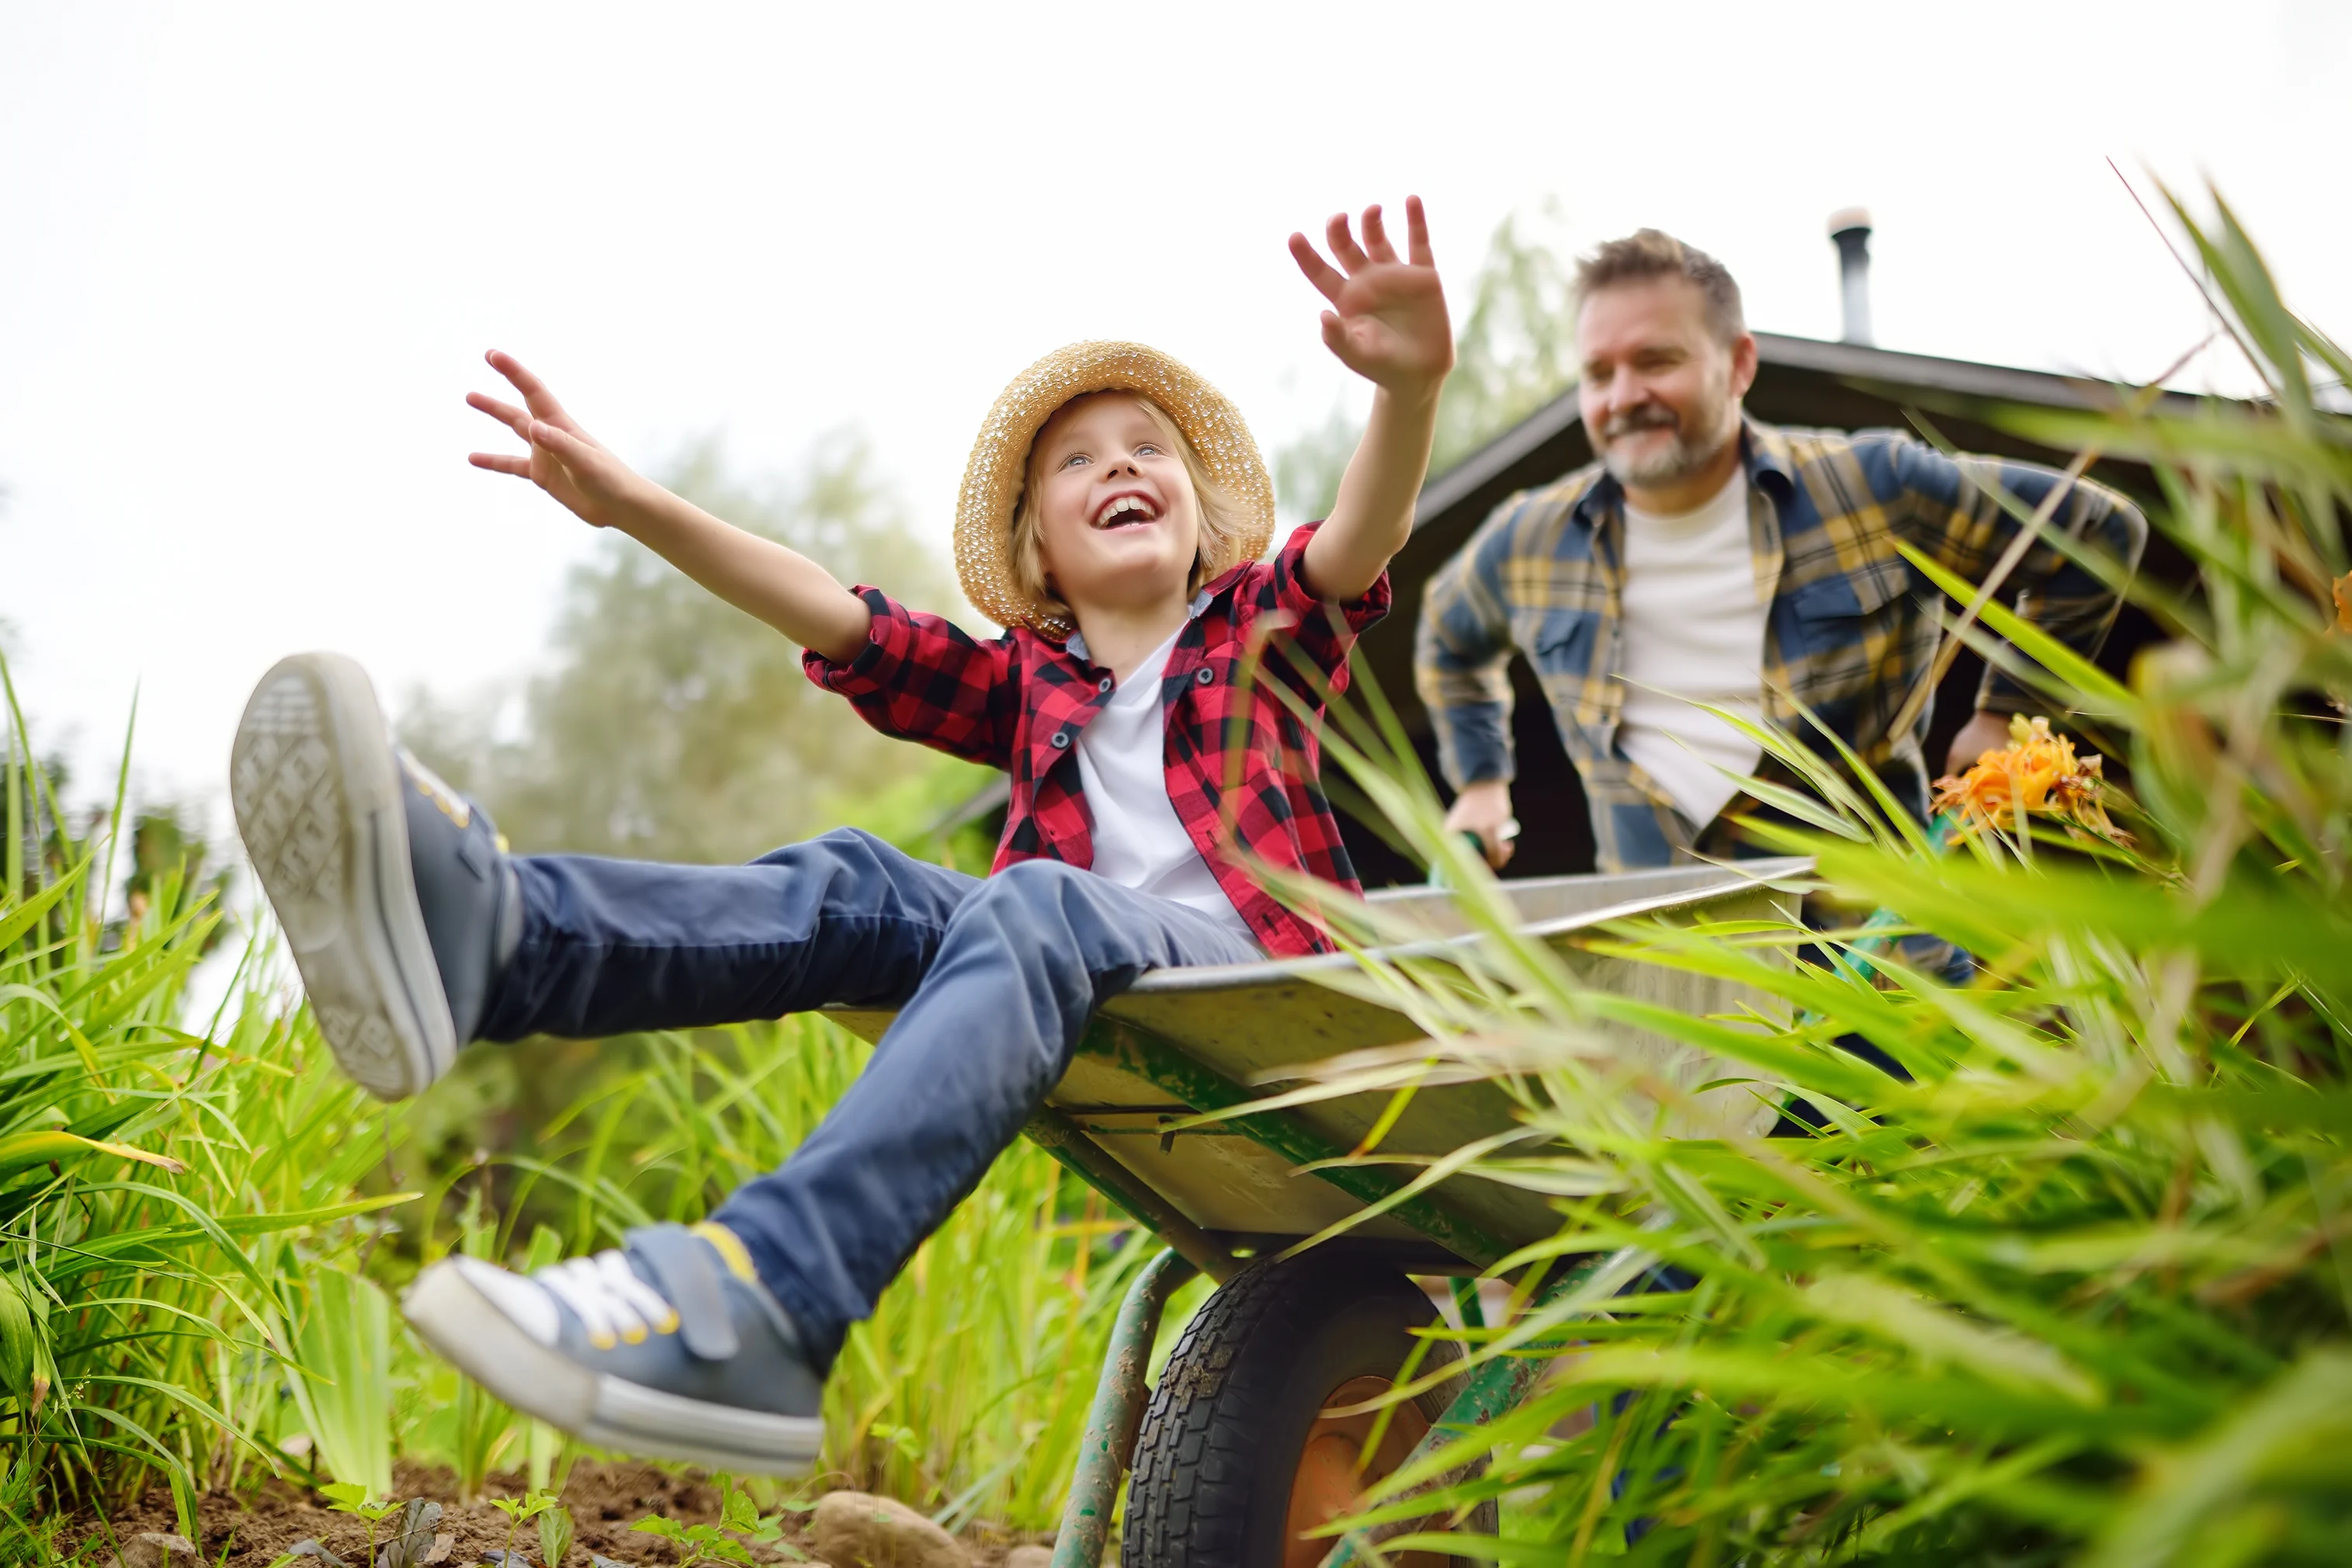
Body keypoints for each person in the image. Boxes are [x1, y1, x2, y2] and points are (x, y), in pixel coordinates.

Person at [230, 201, 1454, 1476]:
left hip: (1262, 995)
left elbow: (1360, 538)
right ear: (1038, 548)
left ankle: (768, 1299)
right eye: (1079, 462)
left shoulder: (1261, 631)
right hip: (1107, 987)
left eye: (1150, 448)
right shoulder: (1030, 690)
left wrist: (1409, 390)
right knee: (861, 882)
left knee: (1037, 899)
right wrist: (635, 506)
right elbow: (844, 621)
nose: (1123, 466)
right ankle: (490, 942)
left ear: (1205, 525)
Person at [1417, 228, 2147, 879]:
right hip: (1659, 982)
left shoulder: (1870, 486)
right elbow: (1449, 633)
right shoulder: (1529, 542)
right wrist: (1482, 782)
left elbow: (2094, 531)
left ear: (1738, 365)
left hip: (1880, 970)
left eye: (1656, 361)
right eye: (1598, 374)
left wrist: (2004, 715)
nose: (1623, 396)